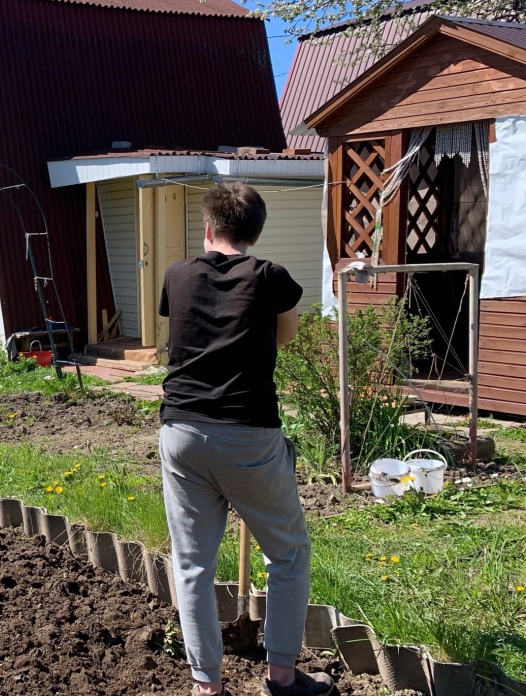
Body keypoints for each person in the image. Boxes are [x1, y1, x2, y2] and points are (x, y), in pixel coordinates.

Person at [157, 182, 334, 696]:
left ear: (208, 229)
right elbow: (286, 336)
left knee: (191, 563)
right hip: (248, 435)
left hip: (182, 431)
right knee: (288, 554)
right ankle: (280, 675)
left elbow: (178, 330)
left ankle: (205, 685)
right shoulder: (271, 277)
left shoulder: (176, 274)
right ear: (255, 233)